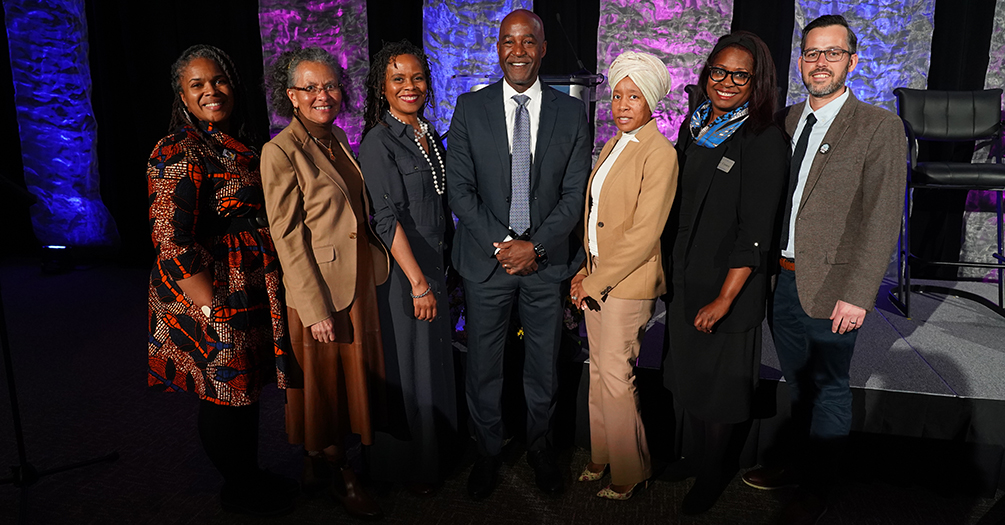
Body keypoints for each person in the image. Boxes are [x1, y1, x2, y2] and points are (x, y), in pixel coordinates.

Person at [740, 15, 906, 524]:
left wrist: (859, 294)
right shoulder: (785, 120)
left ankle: (820, 488)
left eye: (832, 53)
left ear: (852, 61)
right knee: (797, 381)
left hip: (834, 286)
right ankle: (797, 462)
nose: (819, 62)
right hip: (781, 277)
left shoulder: (879, 126)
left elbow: (882, 219)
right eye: (812, 53)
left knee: (828, 386)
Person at [446, 8, 592, 499]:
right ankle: (487, 453)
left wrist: (536, 247)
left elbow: (575, 195)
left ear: (543, 48)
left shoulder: (572, 113)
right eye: (509, 41)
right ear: (498, 47)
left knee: (543, 367)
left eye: (529, 41)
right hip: (487, 265)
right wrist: (506, 247)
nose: (519, 51)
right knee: (483, 365)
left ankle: (541, 449)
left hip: (545, 265)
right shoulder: (469, 107)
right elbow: (460, 191)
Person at [146, 44, 296, 516]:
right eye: (198, 85)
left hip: (249, 280)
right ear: (183, 98)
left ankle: (247, 476)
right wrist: (209, 305)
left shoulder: (237, 142)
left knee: (243, 387)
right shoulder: (179, 149)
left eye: (219, 80)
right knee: (223, 389)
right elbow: (170, 240)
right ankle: (237, 487)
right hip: (207, 287)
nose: (212, 90)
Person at [260, 47, 390, 520]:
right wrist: (314, 311)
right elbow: (286, 235)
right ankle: (341, 475)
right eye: (310, 88)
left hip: (355, 283)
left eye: (331, 85)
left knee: (347, 382)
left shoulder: (336, 137)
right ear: (291, 96)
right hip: (319, 292)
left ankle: (318, 466)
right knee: (326, 390)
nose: (323, 95)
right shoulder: (280, 150)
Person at [660, 31, 788, 515]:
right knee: (689, 377)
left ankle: (713, 475)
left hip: (726, 285)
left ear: (758, 82)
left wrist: (724, 298)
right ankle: (693, 458)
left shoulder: (763, 138)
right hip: (685, 274)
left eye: (741, 75)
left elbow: (756, 232)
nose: (728, 82)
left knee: (719, 390)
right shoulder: (695, 127)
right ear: (707, 72)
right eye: (720, 71)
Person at [569, 51, 678, 501]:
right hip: (598, 277)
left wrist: (594, 282)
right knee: (600, 372)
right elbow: (598, 218)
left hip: (627, 285)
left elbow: (642, 235)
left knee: (617, 375)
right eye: (617, 96)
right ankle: (603, 452)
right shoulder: (615, 143)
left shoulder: (661, 153)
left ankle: (632, 468)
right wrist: (585, 268)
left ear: (651, 100)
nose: (623, 105)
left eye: (634, 96)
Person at [358, 40, 458, 495]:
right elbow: (385, 218)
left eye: (417, 77)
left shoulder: (426, 133)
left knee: (433, 364)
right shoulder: (379, 141)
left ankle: (435, 458)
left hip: (433, 268)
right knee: (414, 369)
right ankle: (410, 469)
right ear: (382, 87)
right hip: (407, 274)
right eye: (398, 79)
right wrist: (418, 284)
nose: (410, 86)